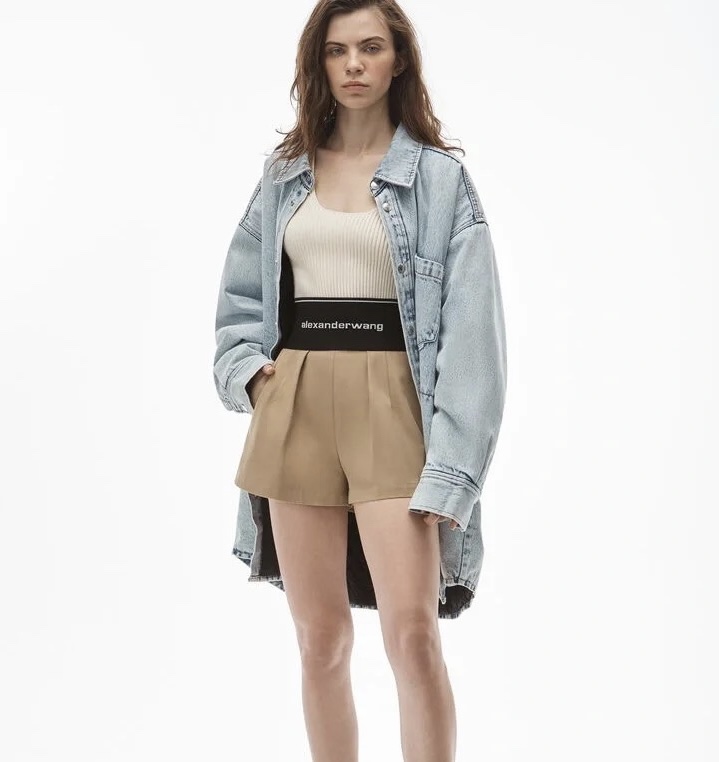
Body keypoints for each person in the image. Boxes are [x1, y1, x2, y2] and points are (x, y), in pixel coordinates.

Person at [213, 1, 508, 759]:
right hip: (297, 404)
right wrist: (253, 379)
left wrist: (454, 466)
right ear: (317, 62)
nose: (352, 65)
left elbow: (474, 340)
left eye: (370, 47)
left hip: (394, 406)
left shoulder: (440, 181)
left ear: (398, 59)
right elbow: (241, 299)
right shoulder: (284, 174)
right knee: (320, 640)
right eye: (336, 50)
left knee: (412, 635)